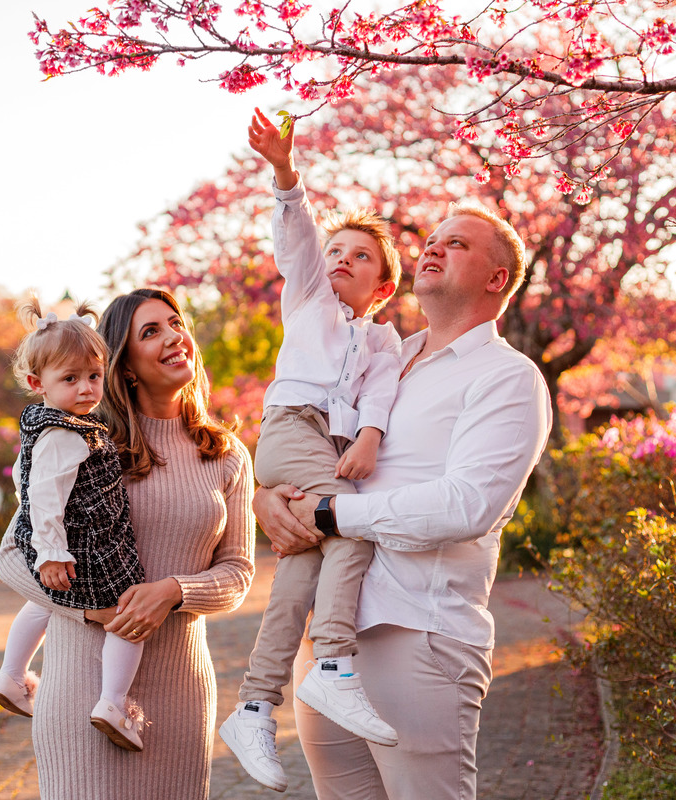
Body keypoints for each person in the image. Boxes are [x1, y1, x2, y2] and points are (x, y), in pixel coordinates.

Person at [255, 205, 553, 800]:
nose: (433, 248)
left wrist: (331, 515)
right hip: (331, 639)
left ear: (497, 278)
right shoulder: (376, 357)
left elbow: (467, 505)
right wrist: (268, 498)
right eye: (433, 239)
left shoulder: (507, 376)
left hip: (419, 636)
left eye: (457, 244)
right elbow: (311, 445)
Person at [0, 288, 255, 799]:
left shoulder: (226, 454)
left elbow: (239, 572)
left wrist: (174, 591)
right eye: (151, 331)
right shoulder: (82, 440)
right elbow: (12, 558)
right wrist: (91, 609)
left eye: (176, 324)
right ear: (126, 364)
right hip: (81, 691)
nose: (174, 337)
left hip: (180, 697)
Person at [219, 108, 403, 793]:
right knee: (351, 526)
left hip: (329, 444)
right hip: (292, 429)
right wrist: (285, 172)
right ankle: (333, 665)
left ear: (384, 287)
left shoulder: (382, 339)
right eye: (337, 251)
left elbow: (381, 392)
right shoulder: (308, 301)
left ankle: (254, 707)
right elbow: (297, 238)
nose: (341, 260)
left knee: (300, 568)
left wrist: (370, 436)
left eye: (360, 257)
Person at [0, 299, 148, 751]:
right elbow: (42, 495)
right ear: (37, 383)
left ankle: (11, 675)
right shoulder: (64, 434)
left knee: (44, 603)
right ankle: (114, 703)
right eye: (70, 379)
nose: (86, 388)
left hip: (66, 543)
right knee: (126, 618)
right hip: (86, 548)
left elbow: (24, 479)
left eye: (94, 376)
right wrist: (52, 551)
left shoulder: (52, 426)